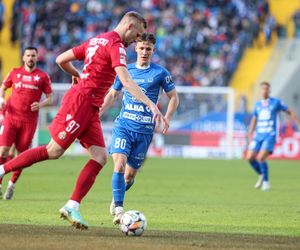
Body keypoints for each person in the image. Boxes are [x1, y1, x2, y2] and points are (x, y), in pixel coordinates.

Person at [0, 11, 167, 230]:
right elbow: (125, 80)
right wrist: (151, 104)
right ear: (129, 26)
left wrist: (77, 74)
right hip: (81, 103)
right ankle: (2, 170)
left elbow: (61, 60)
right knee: (53, 151)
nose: (138, 39)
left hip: (91, 106)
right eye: (138, 34)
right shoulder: (116, 45)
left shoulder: (97, 39)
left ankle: (72, 205)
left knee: (99, 157)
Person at [100, 33, 179, 224]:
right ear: (135, 48)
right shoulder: (125, 71)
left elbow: (174, 97)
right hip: (124, 126)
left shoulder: (160, 73)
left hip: (144, 132)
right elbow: (113, 94)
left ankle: (118, 194)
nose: (144, 52)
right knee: (118, 164)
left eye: (148, 49)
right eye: (141, 48)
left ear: (153, 51)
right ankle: (119, 210)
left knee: (129, 175)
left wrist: (167, 117)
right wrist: (98, 111)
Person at [0, 47, 53, 199]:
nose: (30, 58)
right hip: (11, 117)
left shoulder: (42, 76)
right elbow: (3, 87)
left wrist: (40, 104)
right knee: (3, 151)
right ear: (23, 57)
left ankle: (12, 184)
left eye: (33, 56)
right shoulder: (15, 72)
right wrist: (2, 99)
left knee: (21, 156)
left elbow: (50, 97)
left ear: (37, 58)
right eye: (28, 55)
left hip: (29, 121)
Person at [246, 82, 300, 191]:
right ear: (260, 91)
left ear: (269, 91)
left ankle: (266, 182)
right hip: (258, 135)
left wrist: (298, 125)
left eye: (266, 89)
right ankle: (261, 174)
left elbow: (290, 112)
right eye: (263, 89)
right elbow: (254, 120)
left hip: (270, 135)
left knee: (261, 157)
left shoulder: (276, 102)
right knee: (250, 158)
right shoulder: (257, 105)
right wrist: (250, 133)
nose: (264, 91)